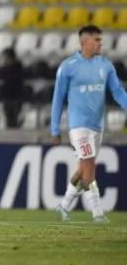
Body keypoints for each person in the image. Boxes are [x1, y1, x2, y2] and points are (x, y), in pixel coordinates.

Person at [51, 25, 127, 223]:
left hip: (97, 126)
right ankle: (98, 213)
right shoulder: (67, 67)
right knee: (90, 169)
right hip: (78, 126)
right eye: (97, 40)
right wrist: (54, 128)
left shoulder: (106, 65)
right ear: (85, 43)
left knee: (83, 168)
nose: (101, 44)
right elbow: (58, 99)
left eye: (101, 40)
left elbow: (118, 91)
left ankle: (64, 205)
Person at [0, 49, 25, 129]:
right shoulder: (4, 68)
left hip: (16, 97)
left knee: (15, 118)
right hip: (7, 97)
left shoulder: (17, 68)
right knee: (8, 119)